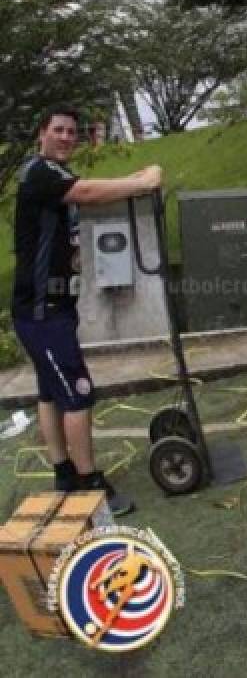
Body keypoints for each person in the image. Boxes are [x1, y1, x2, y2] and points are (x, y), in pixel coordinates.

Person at [11, 104, 164, 516]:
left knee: (50, 392)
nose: (65, 137)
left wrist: (137, 179)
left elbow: (87, 186)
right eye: (58, 130)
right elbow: (89, 192)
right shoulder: (41, 172)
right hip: (42, 310)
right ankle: (89, 481)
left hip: (54, 306)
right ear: (41, 132)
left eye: (71, 132)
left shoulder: (54, 176)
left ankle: (63, 471)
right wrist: (141, 183)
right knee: (78, 393)